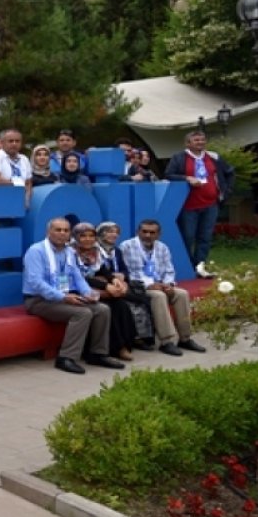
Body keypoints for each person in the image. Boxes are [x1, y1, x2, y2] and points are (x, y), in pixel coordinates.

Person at [21, 217, 121, 375]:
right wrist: (62, 297)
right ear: (48, 232)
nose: (62, 233)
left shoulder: (69, 251)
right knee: (83, 313)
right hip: (39, 300)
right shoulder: (36, 251)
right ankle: (66, 358)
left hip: (64, 297)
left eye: (66, 230)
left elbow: (77, 277)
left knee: (102, 309)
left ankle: (98, 354)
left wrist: (89, 294)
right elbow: (36, 283)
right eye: (58, 230)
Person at [119, 219, 207, 356]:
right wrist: (150, 284)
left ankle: (185, 338)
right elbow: (129, 273)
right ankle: (167, 341)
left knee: (182, 293)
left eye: (152, 232)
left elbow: (169, 270)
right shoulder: (127, 246)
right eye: (144, 232)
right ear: (138, 232)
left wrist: (168, 284)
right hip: (137, 287)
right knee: (158, 296)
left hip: (160, 284)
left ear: (158, 234)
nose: (148, 235)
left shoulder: (162, 247)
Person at [164, 130, 235, 278]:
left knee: (205, 237)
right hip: (188, 205)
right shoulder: (179, 158)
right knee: (188, 237)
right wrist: (187, 178)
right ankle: (187, 266)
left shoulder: (213, 156)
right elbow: (169, 174)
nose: (200, 142)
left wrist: (226, 191)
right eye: (196, 140)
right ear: (188, 143)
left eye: (202, 140)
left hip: (210, 204)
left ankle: (200, 266)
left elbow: (230, 172)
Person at [71, 222, 136, 362]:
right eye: (83, 236)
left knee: (121, 305)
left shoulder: (94, 251)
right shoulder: (70, 252)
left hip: (93, 286)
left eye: (91, 236)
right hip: (76, 289)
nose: (88, 239)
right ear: (76, 237)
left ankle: (126, 345)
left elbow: (102, 269)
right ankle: (114, 348)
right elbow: (80, 277)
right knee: (106, 307)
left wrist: (114, 280)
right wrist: (106, 285)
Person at [96, 221, 155, 350]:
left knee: (141, 300)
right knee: (133, 300)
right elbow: (96, 271)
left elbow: (124, 269)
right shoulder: (95, 251)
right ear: (101, 233)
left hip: (119, 283)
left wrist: (122, 275)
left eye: (116, 232)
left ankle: (142, 337)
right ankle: (133, 338)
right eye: (110, 232)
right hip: (104, 285)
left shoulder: (116, 251)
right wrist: (112, 277)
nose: (114, 235)